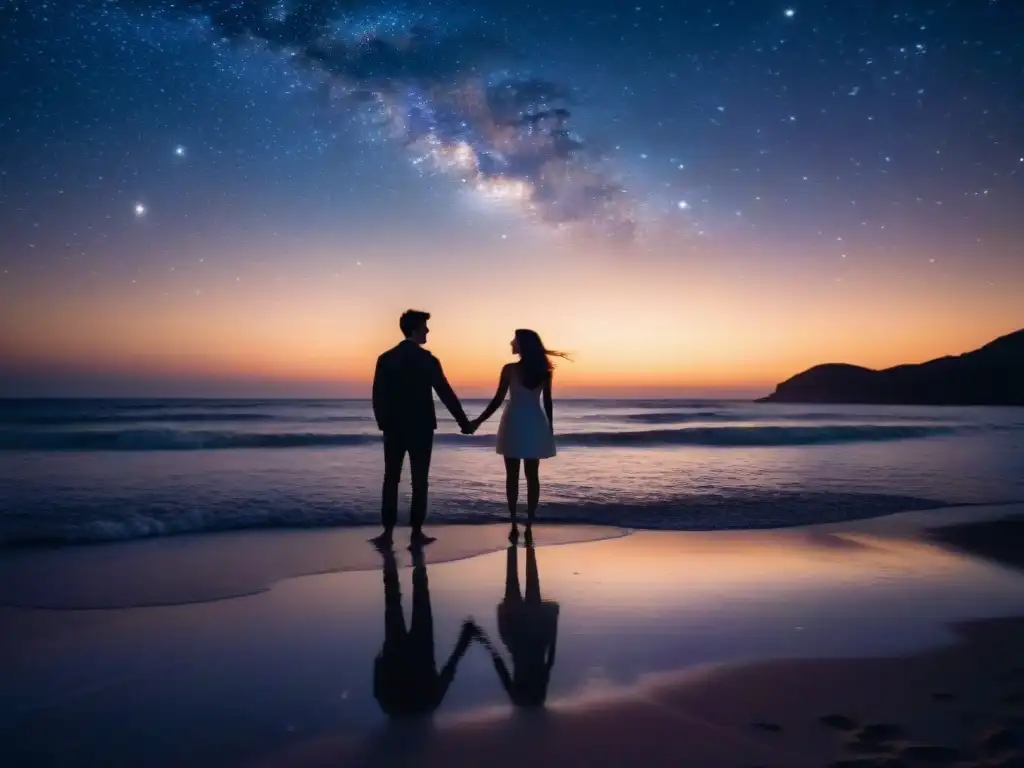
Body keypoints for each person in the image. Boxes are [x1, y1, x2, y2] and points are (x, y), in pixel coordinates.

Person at [372, 309, 473, 548]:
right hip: (421, 428)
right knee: (419, 481)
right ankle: (416, 533)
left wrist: (383, 423)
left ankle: (387, 533)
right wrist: (464, 423)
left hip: (393, 428)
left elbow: (378, 395)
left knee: (391, 479)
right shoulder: (427, 359)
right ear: (416, 328)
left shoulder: (386, 358)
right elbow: (445, 393)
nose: (428, 331)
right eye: (425, 326)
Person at [469, 329, 568, 543]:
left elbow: (497, 400)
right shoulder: (544, 371)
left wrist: (478, 421)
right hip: (534, 421)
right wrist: (549, 428)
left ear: (522, 345)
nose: (511, 343)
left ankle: (514, 522)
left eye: (514, 340)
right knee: (532, 476)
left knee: (512, 476)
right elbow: (547, 402)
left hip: (514, 421)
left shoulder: (509, 369)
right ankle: (529, 523)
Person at [373, 544, 478, 717]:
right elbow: (379, 687)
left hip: (420, 650)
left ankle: (415, 554)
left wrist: (465, 638)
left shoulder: (429, 704)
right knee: (393, 600)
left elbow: (450, 668)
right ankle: (390, 556)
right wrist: (380, 662)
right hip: (398, 652)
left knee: (419, 597)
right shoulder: (391, 707)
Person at [472, 542, 559, 708]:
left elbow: (550, 660)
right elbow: (503, 671)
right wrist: (487, 644)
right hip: (518, 636)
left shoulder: (536, 694)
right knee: (512, 580)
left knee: (531, 581)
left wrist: (553, 624)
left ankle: (526, 537)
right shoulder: (521, 698)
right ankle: (517, 537)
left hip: (537, 633)